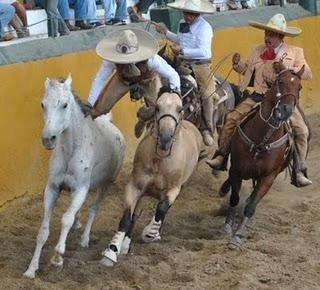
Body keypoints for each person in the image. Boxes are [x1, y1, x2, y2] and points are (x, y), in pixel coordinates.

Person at [206, 14, 313, 187]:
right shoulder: (257, 50)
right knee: (231, 119)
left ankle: (299, 169)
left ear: (280, 36)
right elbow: (248, 70)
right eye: (266, 33)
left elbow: (307, 73)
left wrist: (286, 69)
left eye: (271, 34)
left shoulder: (295, 52)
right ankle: (222, 155)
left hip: (283, 100)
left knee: (302, 131)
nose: (267, 37)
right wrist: (237, 65)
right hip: (259, 96)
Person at [89, 28, 180, 137]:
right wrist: (91, 103)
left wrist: (174, 94)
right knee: (100, 108)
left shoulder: (152, 60)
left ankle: (144, 119)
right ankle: (85, 127)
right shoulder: (110, 61)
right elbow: (100, 79)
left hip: (148, 80)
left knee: (159, 108)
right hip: (123, 80)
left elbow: (173, 75)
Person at [155, 0, 218, 146]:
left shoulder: (205, 28)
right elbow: (180, 39)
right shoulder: (182, 22)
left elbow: (204, 51)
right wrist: (166, 32)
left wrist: (183, 50)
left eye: (191, 14)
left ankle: (207, 127)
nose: (188, 16)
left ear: (198, 13)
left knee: (207, 94)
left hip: (200, 65)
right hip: (182, 63)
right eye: (186, 13)